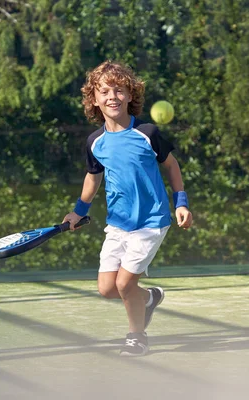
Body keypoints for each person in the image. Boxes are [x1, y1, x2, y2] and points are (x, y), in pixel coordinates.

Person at [62, 60, 193, 357]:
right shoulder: (95, 142)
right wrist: (79, 210)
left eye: (119, 90)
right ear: (94, 99)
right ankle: (147, 299)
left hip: (151, 222)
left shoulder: (147, 132)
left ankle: (137, 336)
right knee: (107, 288)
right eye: (105, 91)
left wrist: (181, 202)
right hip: (118, 225)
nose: (112, 96)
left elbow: (171, 166)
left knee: (123, 283)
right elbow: (93, 177)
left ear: (131, 95)